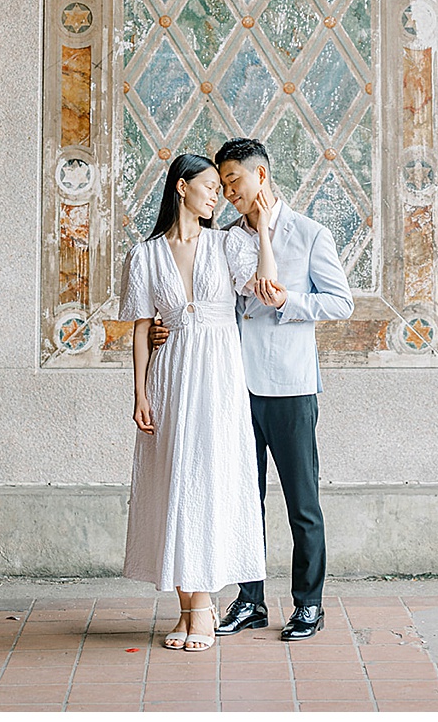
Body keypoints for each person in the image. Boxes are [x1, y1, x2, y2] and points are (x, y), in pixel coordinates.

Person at [159, 137, 353, 643]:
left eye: (232, 181)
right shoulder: (222, 239)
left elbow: (340, 303)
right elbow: (201, 301)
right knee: (243, 499)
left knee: (301, 503)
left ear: (260, 177)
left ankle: (308, 605)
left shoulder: (310, 234)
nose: (226, 192)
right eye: (220, 184)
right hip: (231, 389)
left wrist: (290, 299)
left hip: (289, 387)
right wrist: (165, 328)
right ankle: (251, 601)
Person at [119, 154, 274, 651]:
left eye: (220, 189)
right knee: (174, 485)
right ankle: (188, 610)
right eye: (208, 187)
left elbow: (265, 290)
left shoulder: (226, 244)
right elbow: (142, 328)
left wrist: (264, 230)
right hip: (170, 378)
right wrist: (140, 393)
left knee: (207, 482)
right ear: (182, 188)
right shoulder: (144, 255)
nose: (217, 196)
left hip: (217, 380)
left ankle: (202, 610)